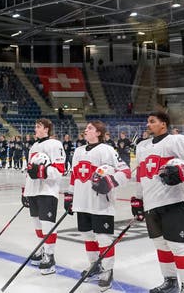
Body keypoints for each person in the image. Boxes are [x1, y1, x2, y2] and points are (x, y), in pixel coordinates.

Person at [132, 111, 184, 293]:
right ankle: (170, 282)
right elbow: (140, 175)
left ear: (163, 124)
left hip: (173, 202)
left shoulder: (176, 140)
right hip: (151, 204)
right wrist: (138, 198)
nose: (148, 125)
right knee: (161, 245)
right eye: (147, 121)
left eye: (152, 121)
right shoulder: (142, 146)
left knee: (178, 246)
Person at [65, 121, 131, 291]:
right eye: (86, 128)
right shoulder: (78, 151)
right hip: (82, 202)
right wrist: (69, 195)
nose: (85, 130)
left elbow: (125, 172)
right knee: (88, 236)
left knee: (103, 237)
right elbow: (74, 176)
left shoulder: (107, 150)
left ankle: (108, 270)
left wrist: (110, 181)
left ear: (99, 133)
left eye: (90, 128)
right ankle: (95, 265)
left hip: (101, 203)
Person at [21, 118, 66, 275]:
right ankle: (42, 248)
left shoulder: (55, 144)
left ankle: (50, 255)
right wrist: (25, 191)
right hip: (33, 190)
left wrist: (42, 172)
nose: (35, 128)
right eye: (35, 125)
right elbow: (29, 170)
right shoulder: (34, 146)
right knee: (37, 225)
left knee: (47, 225)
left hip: (47, 190)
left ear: (46, 129)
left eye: (38, 126)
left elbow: (60, 170)